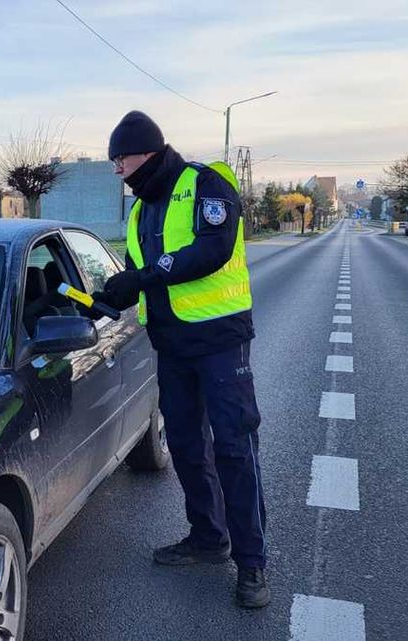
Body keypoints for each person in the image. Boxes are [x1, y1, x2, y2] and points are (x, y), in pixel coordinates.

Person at [97, 110, 269, 608]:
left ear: (146, 153)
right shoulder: (139, 212)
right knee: (189, 447)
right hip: (171, 347)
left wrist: (145, 276)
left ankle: (253, 562)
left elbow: (211, 250)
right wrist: (104, 298)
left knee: (234, 448)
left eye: (119, 160)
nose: (117, 171)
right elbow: (137, 277)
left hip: (219, 343)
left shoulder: (205, 184)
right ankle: (207, 538)